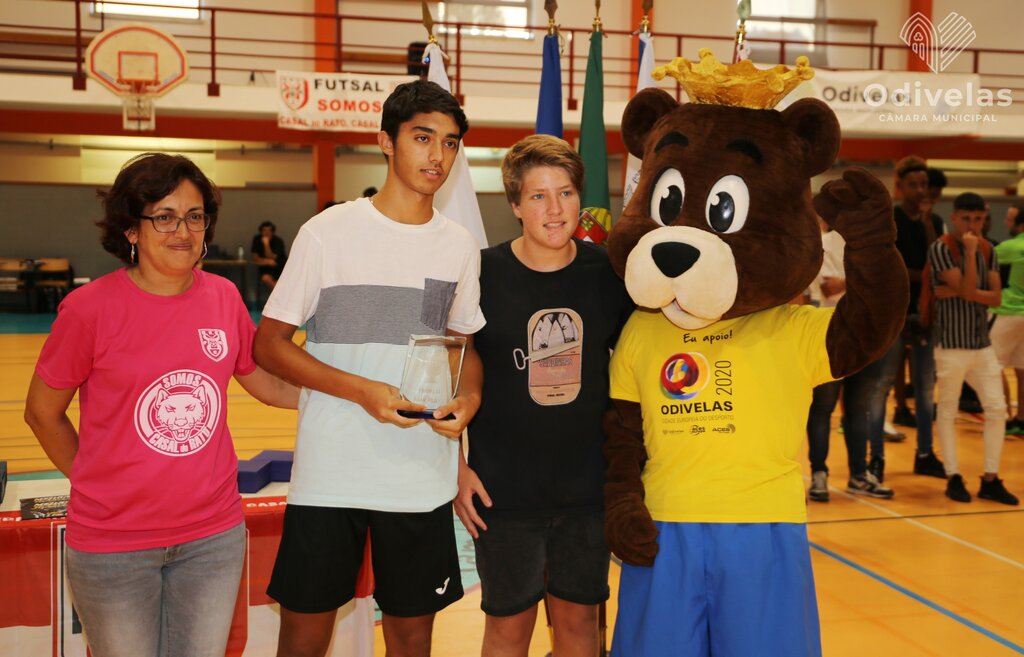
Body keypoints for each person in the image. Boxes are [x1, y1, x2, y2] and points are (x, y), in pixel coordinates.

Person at [23, 152, 299, 657]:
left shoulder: (223, 298)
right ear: (131, 228)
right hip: (113, 545)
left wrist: (345, 393)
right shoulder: (88, 310)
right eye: (165, 217)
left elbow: (263, 381)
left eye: (195, 216)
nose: (183, 231)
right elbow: (42, 411)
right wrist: (94, 479)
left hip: (212, 537)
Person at [254, 80, 485, 657]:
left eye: (450, 143)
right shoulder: (326, 233)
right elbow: (270, 346)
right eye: (423, 138)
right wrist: (361, 391)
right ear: (386, 141)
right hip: (332, 472)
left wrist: (470, 399)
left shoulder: (457, 245)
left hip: (420, 479)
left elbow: (462, 347)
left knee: (411, 637)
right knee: (304, 636)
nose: (438, 156)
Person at [454, 135, 633, 657]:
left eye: (566, 193)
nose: (555, 209)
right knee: (508, 630)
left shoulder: (609, 273)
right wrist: (454, 466)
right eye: (538, 196)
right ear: (515, 205)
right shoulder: (481, 273)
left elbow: (634, 373)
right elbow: (450, 370)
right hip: (503, 493)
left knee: (579, 628)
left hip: (587, 491)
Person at [928, 192, 1017, 505]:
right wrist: (968, 257)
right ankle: (953, 475)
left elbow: (995, 298)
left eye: (978, 219)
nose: (972, 225)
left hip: (981, 345)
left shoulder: (988, 249)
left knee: (997, 409)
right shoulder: (941, 248)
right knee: (948, 409)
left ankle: (990, 478)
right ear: (954, 217)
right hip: (951, 345)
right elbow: (970, 292)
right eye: (966, 218)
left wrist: (958, 291)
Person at [806, 219, 894, 501]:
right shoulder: (822, 243)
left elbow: (884, 287)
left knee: (858, 410)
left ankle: (859, 475)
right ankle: (818, 474)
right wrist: (861, 282)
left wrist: (850, 283)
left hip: (865, 335)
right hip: (831, 335)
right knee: (822, 409)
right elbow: (828, 288)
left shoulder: (872, 247)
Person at [883, 156, 945, 479]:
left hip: (925, 313)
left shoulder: (934, 221)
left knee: (925, 390)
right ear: (900, 187)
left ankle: (925, 453)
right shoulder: (891, 219)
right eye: (913, 185)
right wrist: (923, 275)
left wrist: (927, 222)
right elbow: (891, 268)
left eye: (924, 184)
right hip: (895, 311)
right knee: (882, 386)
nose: (920, 190)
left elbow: (939, 262)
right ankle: (874, 461)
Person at [991, 203, 1024, 436]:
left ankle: (1001, 417)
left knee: (991, 365)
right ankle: (1021, 419)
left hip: (1007, 311)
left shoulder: (1007, 248)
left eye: (1010, 220)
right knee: (1022, 368)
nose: (1006, 223)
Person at [251, 220, 287, 291]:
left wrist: (266, 244)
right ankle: (280, 295)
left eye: (269, 230)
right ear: (261, 231)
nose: (267, 233)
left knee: (279, 282)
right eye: (264, 230)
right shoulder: (257, 239)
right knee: (266, 278)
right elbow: (255, 258)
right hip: (265, 269)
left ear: (272, 231)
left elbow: (272, 257)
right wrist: (268, 262)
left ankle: (279, 295)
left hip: (279, 268)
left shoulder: (278, 241)